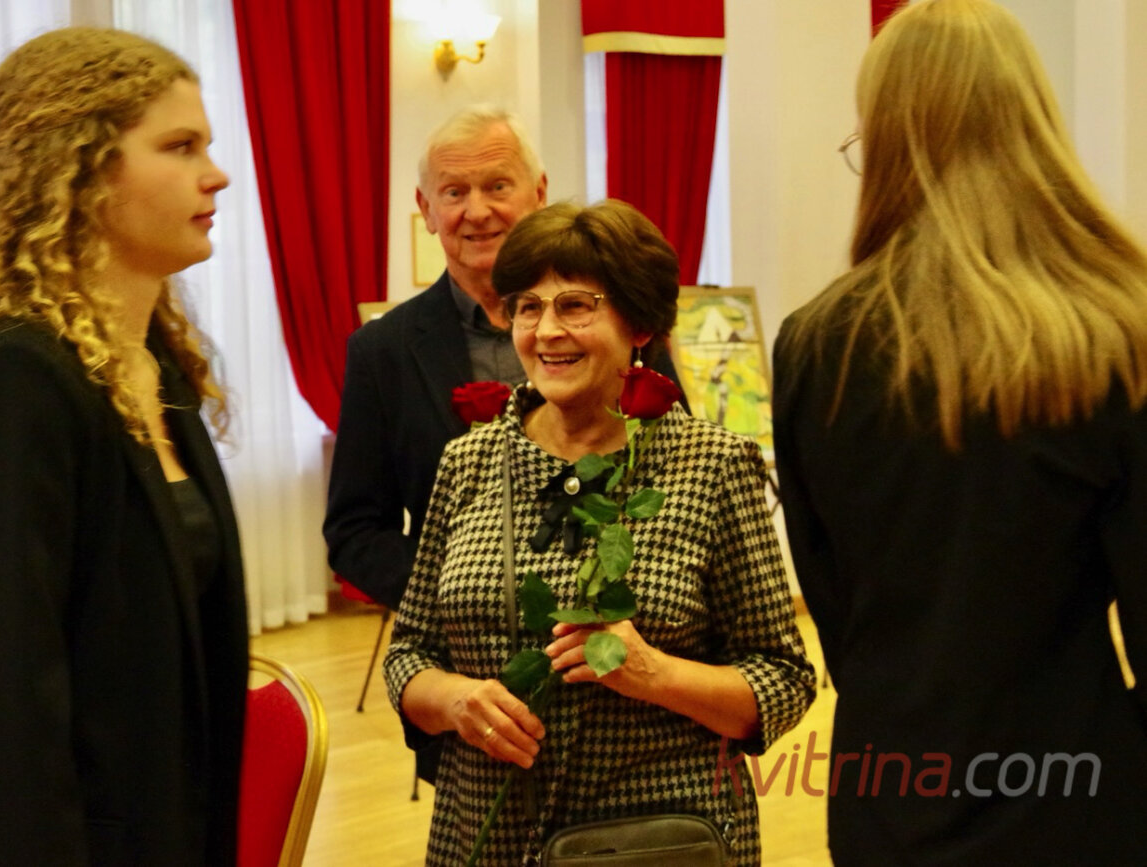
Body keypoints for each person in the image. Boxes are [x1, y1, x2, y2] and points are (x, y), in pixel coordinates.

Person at [0, 28, 249, 866]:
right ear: (83, 168)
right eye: (180, 146)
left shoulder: (156, 367)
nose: (215, 174)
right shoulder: (16, 386)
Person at [772, 1, 1147, 863]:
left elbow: (834, 605)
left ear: (887, 141)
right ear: (1033, 125)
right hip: (1076, 797)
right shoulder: (1113, 335)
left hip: (886, 795)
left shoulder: (815, 343)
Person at [384, 200, 816, 865]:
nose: (546, 331)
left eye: (575, 306)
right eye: (527, 308)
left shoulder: (713, 465)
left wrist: (653, 673)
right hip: (484, 840)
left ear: (638, 323)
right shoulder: (467, 462)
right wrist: (454, 700)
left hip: (654, 845)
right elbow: (409, 652)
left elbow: (782, 681)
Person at [323, 106, 688, 614]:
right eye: (454, 192)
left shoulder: (616, 323)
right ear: (426, 208)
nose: (476, 211)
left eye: (497, 186)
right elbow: (356, 530)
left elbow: (679, 473)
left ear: (539, 193)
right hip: (462, 641)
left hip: (625, 621)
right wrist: (460, 599)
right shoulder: (382, 352)